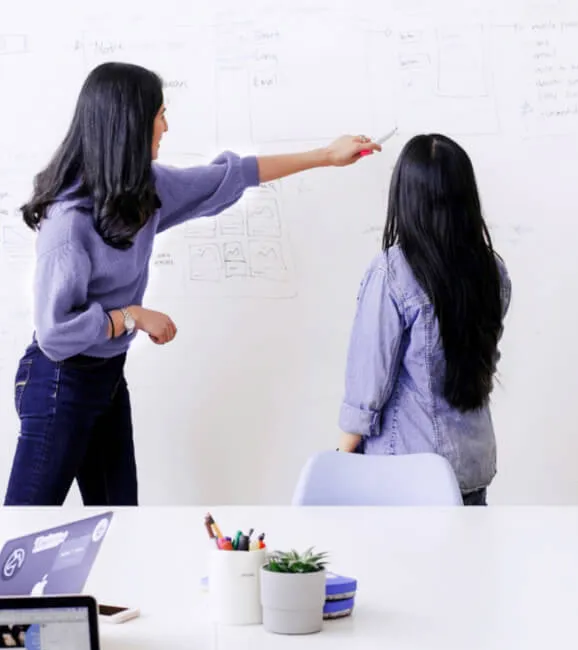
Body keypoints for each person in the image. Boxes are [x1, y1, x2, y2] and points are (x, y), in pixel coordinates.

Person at [4, 61, 381, 507]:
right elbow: (55, 333)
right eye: (159, 113)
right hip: (58, 382)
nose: (166, 125)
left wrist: (325, 155)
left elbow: (232, 175)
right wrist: (131, 317)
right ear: (129, 124)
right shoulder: (69, 222)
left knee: (120, 522)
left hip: (105, 377)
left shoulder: (142, 191)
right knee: (25, 532)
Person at [337, 134, 511, 505]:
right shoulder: (491, 270)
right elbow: (482, 362)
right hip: (471, 467)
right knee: (462, 564)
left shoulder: (393, 272)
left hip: (405, 473)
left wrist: (340, 457)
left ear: (406, 196)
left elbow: (369, 382)